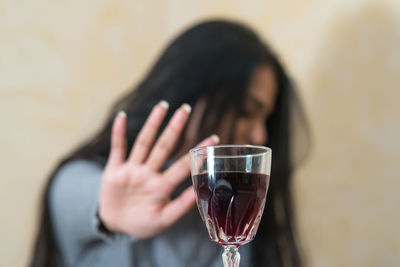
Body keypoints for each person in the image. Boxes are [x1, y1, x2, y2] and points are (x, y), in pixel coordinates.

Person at [29, 19, 310, 267]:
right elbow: (79, 196)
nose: (259, 135)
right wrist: (107, 211)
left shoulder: (243, 215)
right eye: (245, 112)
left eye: (265, 119)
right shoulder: (77, 183)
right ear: (191, 91)